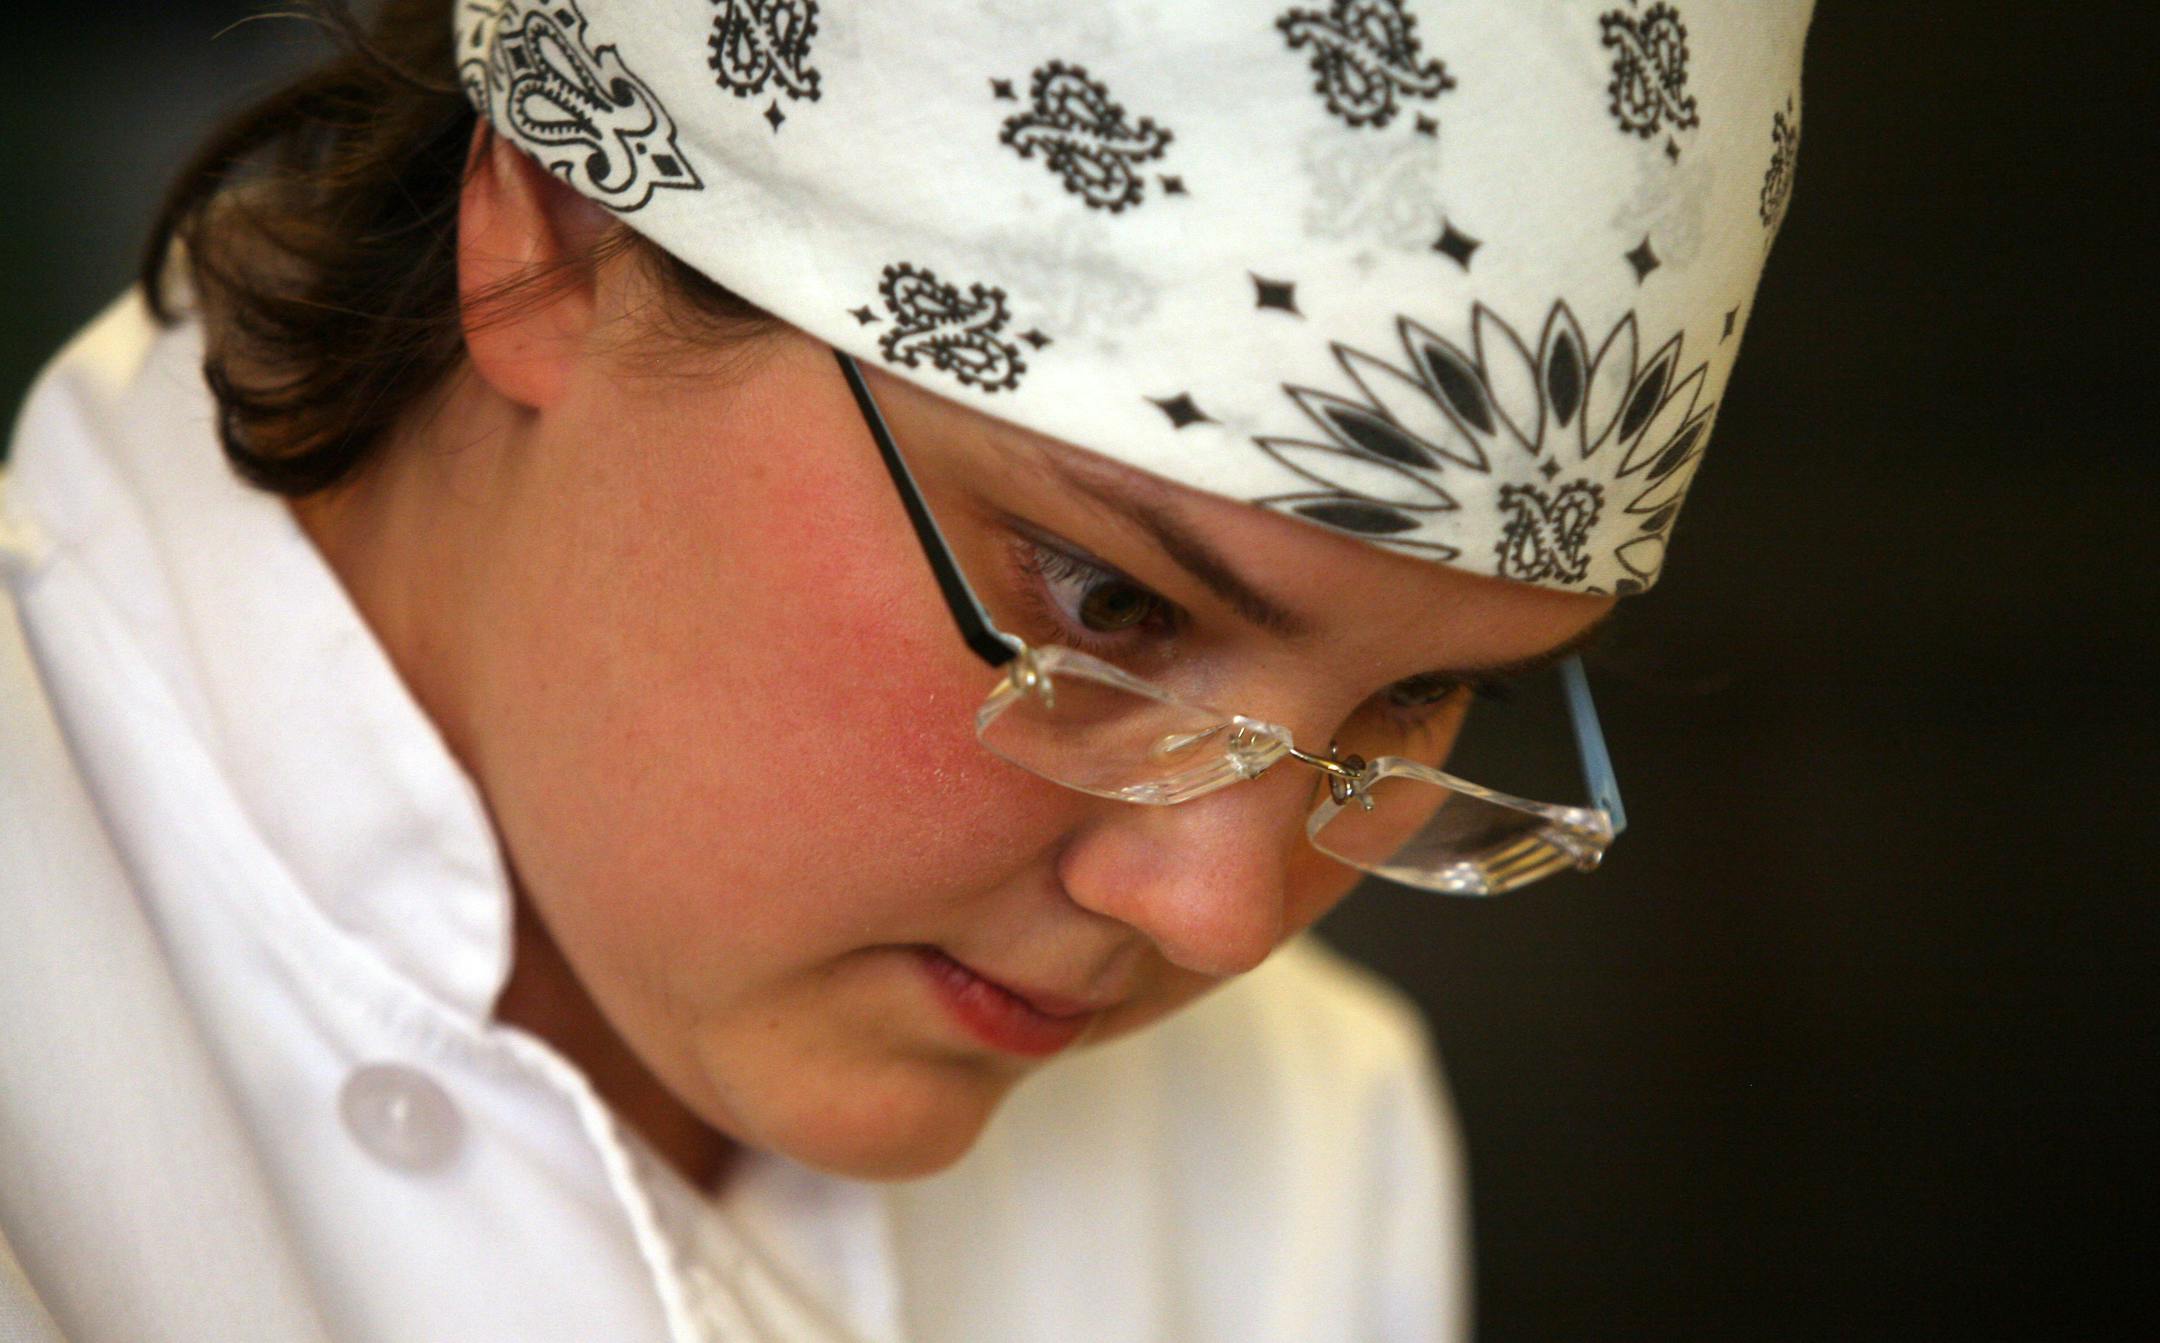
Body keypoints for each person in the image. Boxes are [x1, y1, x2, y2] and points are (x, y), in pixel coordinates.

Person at [0, 1, 1813, 1338]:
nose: (1224, 917)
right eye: (1111, 605)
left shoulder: (1287, 1149)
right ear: (557, 227)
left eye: (1428, 702)